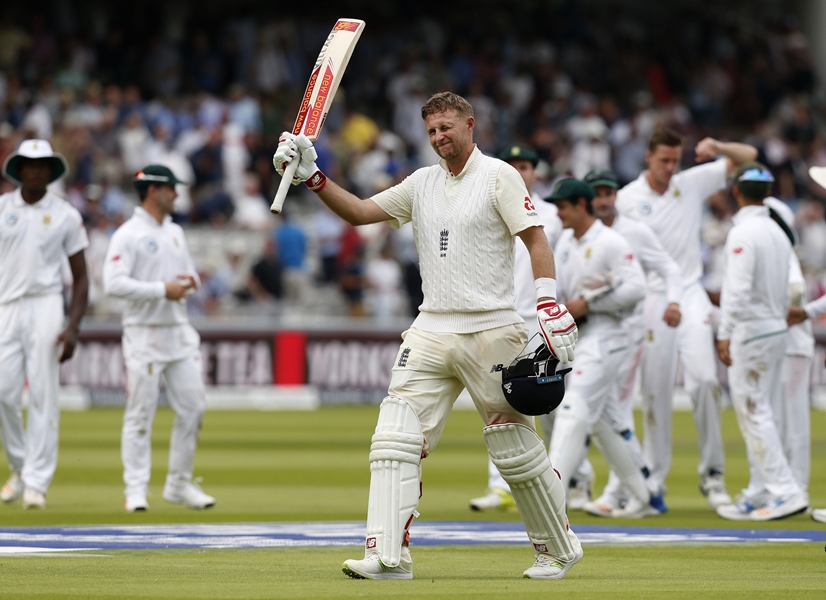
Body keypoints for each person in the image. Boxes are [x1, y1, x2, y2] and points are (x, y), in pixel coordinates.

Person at [273, 92, 581, 580]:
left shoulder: (499, 174)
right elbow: (357, 212)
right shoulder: (420, 183)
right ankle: (388, 556)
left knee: (514, 448)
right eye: (432, 130)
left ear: (469, 125)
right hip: (431, 326)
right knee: (394, 437)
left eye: (447, 128)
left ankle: (556, 549)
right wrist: (313, 176)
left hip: (493, 326)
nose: (440, 137)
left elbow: (535, 238)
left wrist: (546, 300)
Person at [615, 127, 758, 510]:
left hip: (690, 294)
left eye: (675, 160)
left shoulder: (690, 183)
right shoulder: (628, 198)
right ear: (648, 157)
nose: (669, 167)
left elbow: (749, 155)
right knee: (656, 393)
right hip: (651, 298)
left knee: (706, 380)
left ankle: (713, 475)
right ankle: (653, 482)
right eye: (663, 160)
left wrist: (718, 146)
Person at [545, 178, 666, 518]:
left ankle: (550, 501)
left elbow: (637, 289)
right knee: (604, 422)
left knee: (573, 409)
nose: (559, 213)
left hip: (611, 337)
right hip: (583, 337)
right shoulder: (567, 241)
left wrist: (590, 304)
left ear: (581, 205)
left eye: (563, 206)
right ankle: (644, 497)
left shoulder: (611, 242)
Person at [102, 164, 215, 513]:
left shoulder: (175, 232)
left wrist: (190, 282)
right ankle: (135, 489)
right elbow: (113, 284)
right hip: (144, 333)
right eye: (171, 188)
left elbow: (188, 273)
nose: (177, 194)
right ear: (153, 191)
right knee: (141, 412)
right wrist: (161, 290)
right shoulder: (128, 234)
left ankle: (179, 484)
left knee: (193, 407)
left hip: (178, 331)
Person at [468, 144, 571, 512]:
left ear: (535, 171)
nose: (519, 172)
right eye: (513, 166)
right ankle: (501, 485)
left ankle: (566, 477)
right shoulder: (489, 205)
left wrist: (560, 312)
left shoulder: (553, 218)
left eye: (525, 166)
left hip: (541, 318)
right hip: (502, 317)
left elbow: (565, 265)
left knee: (556, 405)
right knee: (501, 401)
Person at [581, 168, 682, 517]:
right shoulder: (580, 236)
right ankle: (646, 488)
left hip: (627, 335)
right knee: (606, 412)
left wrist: (674, 301)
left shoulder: (634, 232)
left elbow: (670, 268)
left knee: (613, 410)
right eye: (598, 193)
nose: (605, 199)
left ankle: (618, 491)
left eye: (609, 192)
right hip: (591, 335)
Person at [714, 163, 808, 520]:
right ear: (766, 193)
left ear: (737, 192)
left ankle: (785, 491)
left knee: (755, 414)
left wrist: (724, 333)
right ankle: (765, 491)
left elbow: (736, 291)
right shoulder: (778, 231)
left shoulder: (744, 233)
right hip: (775, 329)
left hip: (751, 331)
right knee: (763, 412)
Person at [0, 139, 89, 510]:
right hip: (6, 306)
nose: (36, 171)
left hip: (47, 304)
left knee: (43, 394)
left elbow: (81, 278)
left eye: (42, 165)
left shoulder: (66, 214)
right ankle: (21, 467)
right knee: (4, 393)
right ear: (19, 169)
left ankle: (37, 482)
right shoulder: (2, 209)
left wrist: (73, 327)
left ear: (50, 171)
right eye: (29, 164)